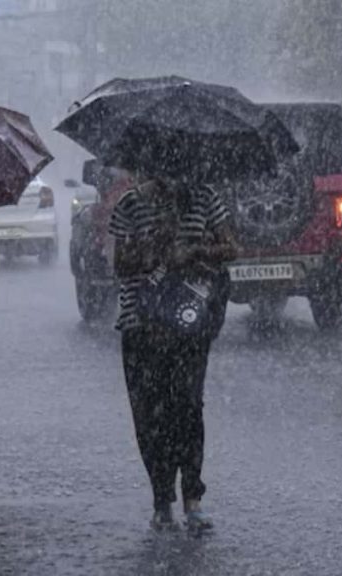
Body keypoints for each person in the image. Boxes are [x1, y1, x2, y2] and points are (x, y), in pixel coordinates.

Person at [110, 175, 237, 533]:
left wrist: (196, 252)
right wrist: (156, 250)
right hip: (141, 325)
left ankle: (192, 498)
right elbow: (119, 263)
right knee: (149, 415)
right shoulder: (130, 204)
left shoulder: (205, 196)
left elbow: (230, 246)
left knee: (188, 408)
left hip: (188, 325)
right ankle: (161, 498)